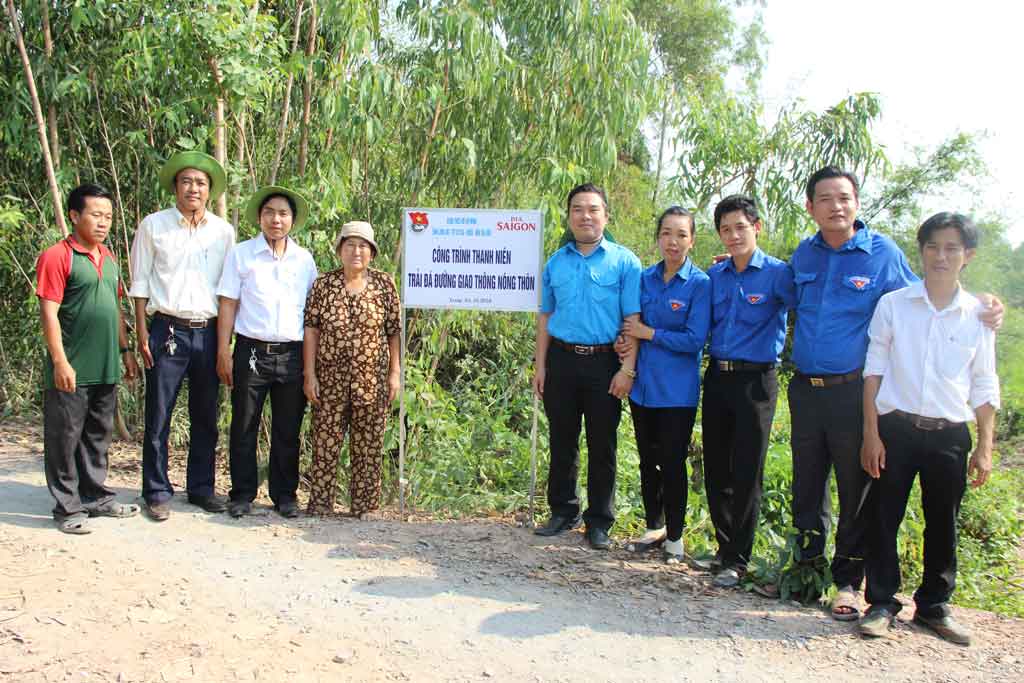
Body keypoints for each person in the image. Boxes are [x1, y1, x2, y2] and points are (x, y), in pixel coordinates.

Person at [858, 213, 999, 645]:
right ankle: (881, 602)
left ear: (967, 256)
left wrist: (985, 446)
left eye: (952, 248)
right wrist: (871, 433)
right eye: (933, 246)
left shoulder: (978, 315)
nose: (941, 256)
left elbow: (984, 382)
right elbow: (874, 371)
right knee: (884, 517)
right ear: (921, 251)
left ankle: (934, 606)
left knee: (943, 522)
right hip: (895, 428)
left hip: (950, 434)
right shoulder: (894, 305)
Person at [788, 166, 919, 619]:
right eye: (825, 199)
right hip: (805, 391)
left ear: (857, 203)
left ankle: (847, 583)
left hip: (853, 392)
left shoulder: (882, 254)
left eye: (844, 197)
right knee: (807, 485)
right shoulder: (804, 254)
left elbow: (920, 304)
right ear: (811, 207)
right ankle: (805, 573)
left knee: (854, 488)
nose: (836, 206)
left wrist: (980, 307)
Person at [532, 183, 642, 550]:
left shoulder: (625, 262)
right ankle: (563, 511)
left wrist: (627, 369)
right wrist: (541, 366)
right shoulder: (555, 262)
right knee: (562, 439)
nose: (585, 216)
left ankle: (599, 521)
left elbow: (632, 320)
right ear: (569, 217)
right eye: (578, 209)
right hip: (561, 361)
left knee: (602, 444)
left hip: (604, 363)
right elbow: (545, 317)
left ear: (606, 216)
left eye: (593, 209)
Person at [129, 151, 235, 521]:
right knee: (159, 412)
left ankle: (201, 488)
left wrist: (226, 343)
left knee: (206, 414)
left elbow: (228, 290)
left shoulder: (223, 232)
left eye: (201, 183)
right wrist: (142, 330)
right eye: (186, 181)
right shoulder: (154, 226)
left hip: (208, 331)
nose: (193, 188)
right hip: (167, 329)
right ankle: (157, 491)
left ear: (210, 191)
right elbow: (140, 282)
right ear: (175, 187)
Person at [699, 195, 795, 587]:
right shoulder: (715, 275)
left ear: (756, 227)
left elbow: (808, 307)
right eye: (726, 229)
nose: (733, 235)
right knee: (716, 466)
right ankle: (723, 550)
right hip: (718, 377)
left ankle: (738, 559)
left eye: (740, 227)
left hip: (757, 382)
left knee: (746, 468)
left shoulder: (778, 274)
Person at [36, 184, 140, 533]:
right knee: (64, 438)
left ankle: (95, 497)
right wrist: (60, 361)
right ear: (74, 215)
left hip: (106, 366)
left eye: (108, 216)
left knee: (97, 436)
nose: (103, 222)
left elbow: (116, 308)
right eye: (96, 215)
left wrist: (125, 351)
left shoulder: (108, 257)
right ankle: (67, 508)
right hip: (72, 367)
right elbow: (49, 313)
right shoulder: (57, 256)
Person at [216, 187, 317, 519]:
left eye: (283, 213)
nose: (276, 219)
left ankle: (285, 495)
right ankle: (242, 494)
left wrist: (311, 365)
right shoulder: (241, 255)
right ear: (259, 218)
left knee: (288, 429)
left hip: (292, 354)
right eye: (270, 212)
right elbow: (228, 303)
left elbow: (313, 315)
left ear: (292, 220)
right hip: (251, 352)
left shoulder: (304, 260)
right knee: (244, 425)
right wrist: (223, 350)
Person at [621, 207, 710, 563]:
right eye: (666, 234)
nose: (673, 241)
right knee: (647, 461)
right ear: (658, 237)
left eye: (681, 234)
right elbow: (629, 324)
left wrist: (649, 333)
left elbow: (694, 339)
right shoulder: (644, 278)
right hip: (643, 387)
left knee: (672, 463)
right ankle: (653, 526)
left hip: (676, 393)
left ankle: (675, 537)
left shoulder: (700, 284)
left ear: (692, 240)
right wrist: (625, 341)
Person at [303, 221, 401, 518]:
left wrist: (395, 373)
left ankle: (365, 507)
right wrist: (310, 374)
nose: (356, 251)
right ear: (339, 250)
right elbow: (311, 329)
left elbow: (394, 331)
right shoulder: (324, 284)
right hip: (329, 380)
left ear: (372, 253)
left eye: (363, 246)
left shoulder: (384, 284)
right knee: (325, 443)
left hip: (371, 381)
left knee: (369, 445)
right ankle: (320, 505)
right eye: (350, 245)